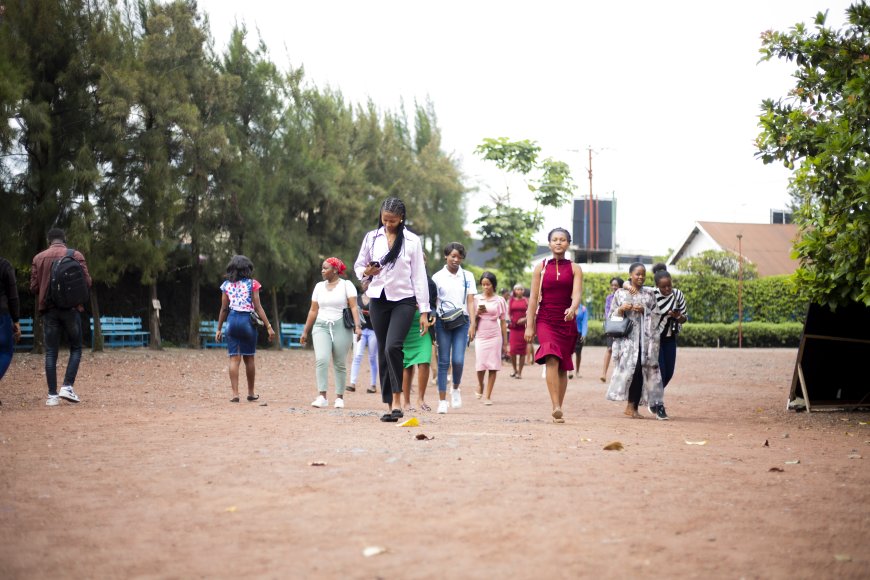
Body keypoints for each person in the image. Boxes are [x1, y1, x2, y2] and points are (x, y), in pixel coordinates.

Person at [354, 197, 430, 423]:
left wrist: (424, 311)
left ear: (402, 219)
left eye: (393, 221)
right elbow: (359, 265)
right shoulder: (371, 237)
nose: (387, 224)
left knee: (393, 346)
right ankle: (389, 405)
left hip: (404, 300)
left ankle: (398, 399)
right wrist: (366, 272)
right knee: (384, 352)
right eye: (384, 219)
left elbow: (419, 276)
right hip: (378, 299)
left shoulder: (412, 241)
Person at [525, 227, 582, 423]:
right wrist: (529, 326)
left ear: (568, 243)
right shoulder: (541, 267)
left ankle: (560, 406)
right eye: (555, 239)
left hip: (566, 320)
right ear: (549, 244)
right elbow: (533, 298)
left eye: (563, 239)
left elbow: (577, 295)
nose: (558, 242)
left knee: (563, 366)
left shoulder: (575, 268)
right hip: (546, 319)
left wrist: (573, 308)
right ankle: (555, 406)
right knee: (551, 357)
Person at [30, 228, 92, 406]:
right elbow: (87, 282)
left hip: (49, 311)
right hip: (71, 309)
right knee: (76, 348)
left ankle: (52, 396)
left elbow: (34, 288)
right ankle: (67, 386)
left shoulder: (38, 258)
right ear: (64, 239)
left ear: (49, 240)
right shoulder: (76, 255)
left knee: (51, 352)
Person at [605, 262, 665, 419]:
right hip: (627, 341)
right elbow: (611, 316)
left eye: (643, 274)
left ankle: (632, 406)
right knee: (632, 370)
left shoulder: (649, 294)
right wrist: (621, 309)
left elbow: (657, 315)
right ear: (630, 275)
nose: (641, 277)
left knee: (641, 370)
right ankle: (631, 406)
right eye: (638, 274)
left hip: (646, 341)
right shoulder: (620, 294)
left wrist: (644, 310)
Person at [301, 258, 361, 409]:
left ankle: (339, 397)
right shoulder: (319, 287)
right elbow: (313, 310)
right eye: (322, 268)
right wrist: (305, 331)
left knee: (340, 362)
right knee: (322, 359)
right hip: (321, 325)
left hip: (341, 325)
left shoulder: (347, 285)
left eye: (325, 268)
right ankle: (322, 396)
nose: (322, 271)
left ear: (335, 270)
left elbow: (354, 307)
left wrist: (358, 327)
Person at [216, 255, 275, 402]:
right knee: (249, 359)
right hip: (247, 321)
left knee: (234, 359)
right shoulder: (252, 284)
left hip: (231, 321)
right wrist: (268, 326)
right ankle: (250, 393)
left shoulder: (226, 285)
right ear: (247, 269)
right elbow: (258, 307)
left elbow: (224, 309)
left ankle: (235, 394)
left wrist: (218, 329)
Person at [431, 242, 476, 414]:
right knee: (443, 361)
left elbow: (471, 301)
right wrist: (433, 323)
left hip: (462, 322)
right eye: (452, 256)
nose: (456, 259)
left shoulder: (468, 276)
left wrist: (473, 323)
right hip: (443, 322)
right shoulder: (437, 277)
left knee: (458, 360)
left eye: (459, 256)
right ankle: (442, 401)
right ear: (446, 256)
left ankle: (455, 388)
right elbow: (434, 303)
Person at [651, 263, 687, 418]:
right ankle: (659, 406)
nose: (667, 290)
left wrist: (677, 316)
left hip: (670, 338)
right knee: (661, 372)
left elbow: (685, 318)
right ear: (657, 286)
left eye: (669, 286)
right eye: (663, 287)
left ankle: (653, 398)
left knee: (669, 373)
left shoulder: (678, 295)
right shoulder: (651, 294)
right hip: (654, 338)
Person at [469, 271, 508, 404]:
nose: (485, 287)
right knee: (480, 365)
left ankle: (488, 396)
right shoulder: (476, 299)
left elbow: (503, 322)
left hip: (495, 335)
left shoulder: (500, 300)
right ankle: (480, 384)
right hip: (481, 335)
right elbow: (472, 320)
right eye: (483, 284)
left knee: (493, 366)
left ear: (493, 285)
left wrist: (505, 342)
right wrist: (476, 314)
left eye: (488, 284)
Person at [401, 274, 438, 412]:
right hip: (405, 325)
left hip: (424, 326)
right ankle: (406, 402)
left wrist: (432, 312)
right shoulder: (400, 279)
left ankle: (421, 399)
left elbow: (433, 304)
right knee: (407, 364)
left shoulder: (429, 283)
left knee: (424, 361)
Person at [0, 256, 22, 405]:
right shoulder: (4, 265)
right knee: (5, 352)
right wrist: (16, 320)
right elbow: (13, 296)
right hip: (1, 314)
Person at [348, 292, 378, 394]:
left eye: (367, 282)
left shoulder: (376, 297)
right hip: (361, 329)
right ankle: (352, 383)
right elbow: (354, 310)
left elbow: (380, 311)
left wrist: (371, 313)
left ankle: (373, 385)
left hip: (373, 330)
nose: (365, 284)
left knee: (372, 358)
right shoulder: (358, 298)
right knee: (357, 355)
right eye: (363, 282)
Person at [599, 277, 624, 383]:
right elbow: (607, 312)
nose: (614, 287)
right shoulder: (609, 298)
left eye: (616, 285)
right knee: (609, 349)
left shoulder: (624, 297)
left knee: (621, 351)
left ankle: (618, 374)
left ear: (621, 287)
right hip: (612, 326)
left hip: (622, 327)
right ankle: (603, 374)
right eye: (612, 285)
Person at [508, 284, 529, 379]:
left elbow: (531, 313)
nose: (519, 291)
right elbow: (508, 313)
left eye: (521, 289)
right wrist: (511, 319)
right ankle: (514, 370)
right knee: (512, 351)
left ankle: (520, 372)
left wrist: (525, 319)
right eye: (517, 289)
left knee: (522, 351)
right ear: (514, 290)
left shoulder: (526, 300)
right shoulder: (511, 300)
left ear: (523, 291)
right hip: (513, 328)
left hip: (523, 329)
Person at [570, 303, 588, 379]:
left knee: (578, 353)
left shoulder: (583, 309)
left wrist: (584, 334)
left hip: (579, 333)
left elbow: (584, 322)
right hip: (570, 332)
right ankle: (570, 370)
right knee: (569, 352)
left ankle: (577, 371)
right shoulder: (569, 307)